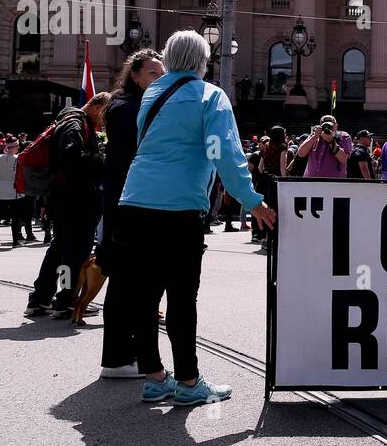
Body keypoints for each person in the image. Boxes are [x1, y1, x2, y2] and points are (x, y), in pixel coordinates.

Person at [117, 31, 277, 407]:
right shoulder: (209, 95)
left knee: (143, 295)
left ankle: (155, 377)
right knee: (181, 297)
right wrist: (252, 200)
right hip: (177, 208)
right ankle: (188, 382)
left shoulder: (152, 93)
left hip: (134, 200)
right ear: (204, 61)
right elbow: (223, 152)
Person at [98, 48, 166, 379]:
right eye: (153, 72)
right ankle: (118, 357)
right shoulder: (128, 108)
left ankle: (127, 354)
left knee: (134, 281)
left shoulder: (135, 105)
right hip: (128, 205)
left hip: (132, 201)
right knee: (127, 281)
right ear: (135, 75)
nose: (160, 77)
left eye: (162, 71)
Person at [25, 93, 109, 318]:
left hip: (65, 197)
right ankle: (64, 299)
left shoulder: (72, 121)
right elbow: (71, 154)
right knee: (73, 252)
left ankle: (41, 298)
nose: (104, 122)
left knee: (60, 249)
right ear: (96, 106)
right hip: (76, 198)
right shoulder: (75, 123)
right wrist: (103, 159)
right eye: (105, 114)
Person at [0, 139, 28, 248]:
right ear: (15, 146)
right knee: (16, 217)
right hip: (13, 190)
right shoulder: (18, 158)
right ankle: (15, 241)